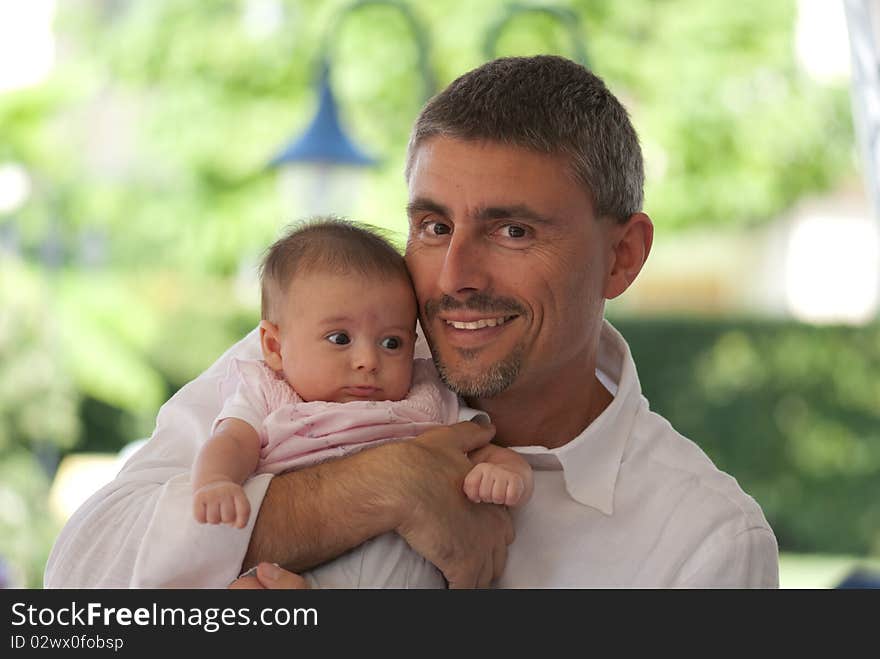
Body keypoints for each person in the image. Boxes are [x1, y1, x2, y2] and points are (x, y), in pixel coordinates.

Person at [45, 54, 779, 589]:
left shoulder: (705, 544)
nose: (455, 276)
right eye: (432, 225)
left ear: (622, 256)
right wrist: (376, 484)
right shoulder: (322, 349)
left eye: (512, 231)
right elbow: (74, 593)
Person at [191, 219, 533, 587]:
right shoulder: (268, 395)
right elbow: (230, 442)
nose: (368, 361)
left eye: (392, 343)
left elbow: (479, 447)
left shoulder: (426, 399)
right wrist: (216, 481)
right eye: (340, 338)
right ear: (274, 347)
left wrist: (506, 471)